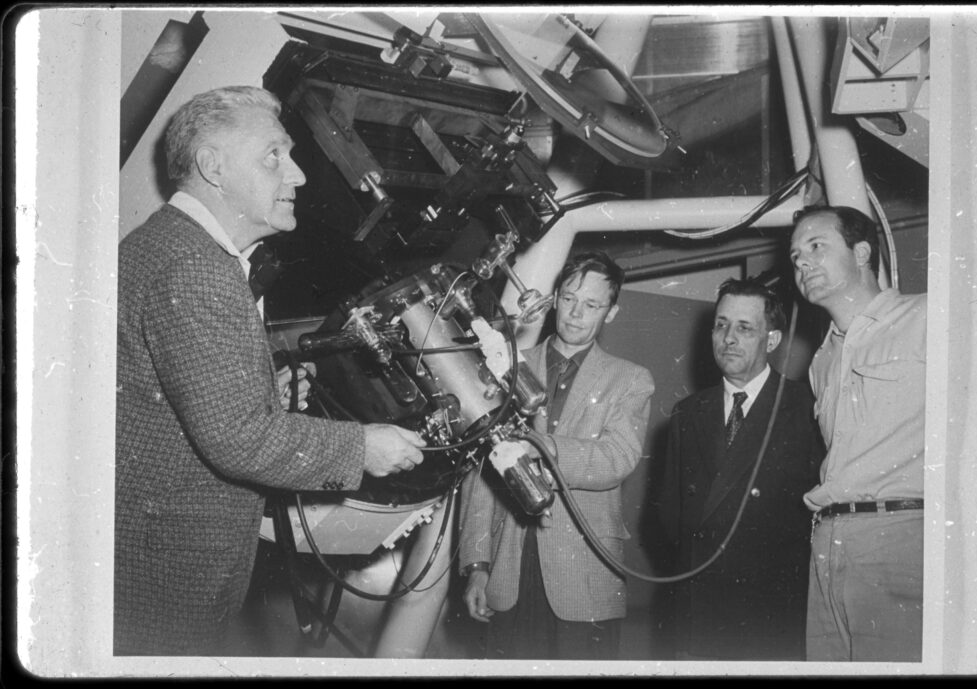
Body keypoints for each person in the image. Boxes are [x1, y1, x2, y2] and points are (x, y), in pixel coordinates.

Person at [115, 86, 426, 656]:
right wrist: (362, 447)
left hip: (158, 554)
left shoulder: (177, 250)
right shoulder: (195, 268)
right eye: (274, 156)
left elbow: (190, 403)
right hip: (164, 573)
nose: (299, 175)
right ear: (213, 167)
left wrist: (264, 394)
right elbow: (236, 439)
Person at [458, 251, 655, 660]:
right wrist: (477, 566)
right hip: (508, 572)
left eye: (592, 305)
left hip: (585, 578)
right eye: (568, 298)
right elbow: (479, 478)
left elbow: (617, 458)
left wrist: (545, 448)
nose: (576, 313)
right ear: (554, 298)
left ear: (611, 313)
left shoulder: (631, 379)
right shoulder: (507, 367)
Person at [656, 277, 824, 660]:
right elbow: (670, 517)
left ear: (772, 340)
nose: (728, 338)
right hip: (697, 609)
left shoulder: (805, 408)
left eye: (744, 327)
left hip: (771, 610)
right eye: (721, 324)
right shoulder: (687, 413)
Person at [789, 205, 926, 662]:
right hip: (828, 541)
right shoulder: (822, 361)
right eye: (795, 256)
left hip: (900, 535)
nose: (801, 262)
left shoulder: (925, 319)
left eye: (816, 247)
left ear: (862, 251)